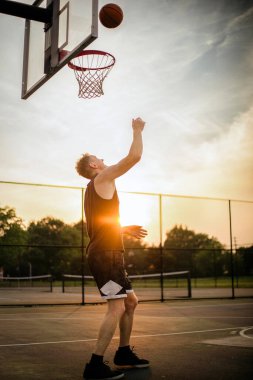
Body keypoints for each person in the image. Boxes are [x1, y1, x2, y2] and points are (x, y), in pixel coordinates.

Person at [75, 117, 149, 380]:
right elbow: (134, 157)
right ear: (94, 165)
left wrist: (124, 228)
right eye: (100, 158)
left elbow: (102, 225)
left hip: (109, 252)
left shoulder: (93, 190)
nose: (104, 160)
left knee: (130, 302)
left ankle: (124, 352)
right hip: (105, 255)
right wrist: (137, 130)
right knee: (116, 307)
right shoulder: (103, 177)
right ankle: (94, 365)